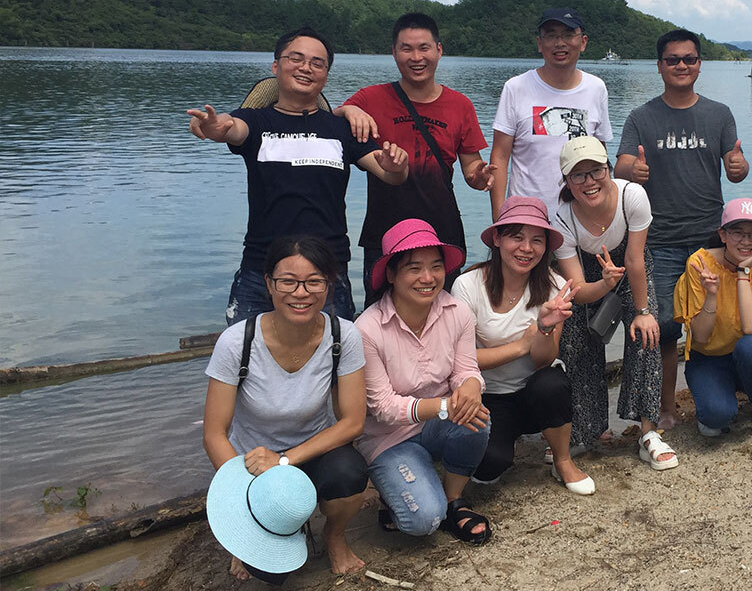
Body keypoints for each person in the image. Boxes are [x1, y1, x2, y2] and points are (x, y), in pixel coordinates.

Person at [187, 26, 411, 325]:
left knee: (332, 351)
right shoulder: (256, 122)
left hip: (327, 269)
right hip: (262, 269)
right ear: (276, 66)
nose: (306, 68)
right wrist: (215, 127)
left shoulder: (341, 129)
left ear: (326, 75)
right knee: (247, 351)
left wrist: (397, 166)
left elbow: (390, 174)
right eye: (296, 58)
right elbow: (232, 128)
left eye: (317, 63)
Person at [203, 235, 368, 581]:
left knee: (350, 473)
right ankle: (271, 525)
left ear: (328, 285)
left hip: (312, 452)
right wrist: (241, 490)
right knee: (271, 575)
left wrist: (283, 462)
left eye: (314, 281)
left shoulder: (344, 336)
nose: (301, 293)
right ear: (269, 284)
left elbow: (353, 421)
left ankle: (334, 535)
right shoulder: (237, 342)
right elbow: (214, 433)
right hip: (252, 464)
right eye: (288, 281)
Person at [615, 28, 748, 430]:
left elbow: (736, 167)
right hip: (661, 239)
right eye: (672, 60)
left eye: (689, 59)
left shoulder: (719, 114)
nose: (681, 66)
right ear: (659, 66)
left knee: (720, 321)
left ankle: (725, 395)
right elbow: (620, 165)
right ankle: (666, 407)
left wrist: (739, 167)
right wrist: (632, 170)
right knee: (665, 329)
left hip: (711, 237)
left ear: (699, 65)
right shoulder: (641, 117)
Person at [335, 13, 493, 300]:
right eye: (406, 49)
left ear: (439, 50)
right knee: (379, 313)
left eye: (424, 48)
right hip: (385, 231)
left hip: (441, 232)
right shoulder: (370, 98)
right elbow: (329, 120)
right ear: (394, 52)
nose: (416, 57)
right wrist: (348, 110)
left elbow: (472, 168)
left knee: (442, 312)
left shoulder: (460, 105)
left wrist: (479, 178)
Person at [355, 219, 493, 545]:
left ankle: (454, 500)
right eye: (414, 268)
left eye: (435, 266)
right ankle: (399, 495)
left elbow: (465, 369)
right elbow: (383, 407)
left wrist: (471, 385)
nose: (428, 278)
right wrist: (447, 405)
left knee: (477, 419)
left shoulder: (457, 312)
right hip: (388, 438)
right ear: (391, 274)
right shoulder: (367, 329)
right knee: (424, 521)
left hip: (436, 424)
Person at [451, 196, 594, 494]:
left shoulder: (555, 286)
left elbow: (543, 360)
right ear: (497, 239)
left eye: (537, 240)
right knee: (488, 468)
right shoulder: (468, 285)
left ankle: (562, 459)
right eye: (516, 237)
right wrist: (521, 345)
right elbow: (461, 359)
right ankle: (506, 441)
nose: (527, 248)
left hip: (532, 391)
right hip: (487, 395)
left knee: (551, 383)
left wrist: (544, 329)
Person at [552, 137, 678, 470]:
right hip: (587, 277)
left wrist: (643, 312)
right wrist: (604, 284)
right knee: (574, 339)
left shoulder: (632, 196)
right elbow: (577, 289)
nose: (589, 181)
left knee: (647, 333)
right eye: (578, 175)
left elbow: (635, 259)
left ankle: (648, 432)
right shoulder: (562, 218)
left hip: (631, 266)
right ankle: (585, 428)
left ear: (608, 169)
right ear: (567, 181)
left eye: (596, 171)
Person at [674, 198, 752, 448]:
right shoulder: (700, 264)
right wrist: (711, 294)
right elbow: (700, 337)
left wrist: (742, 272)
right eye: (737, 232)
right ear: (723, 235)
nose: (746, 241)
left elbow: (750, 328)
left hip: (748, 355)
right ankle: (718, 400)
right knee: (716, 419)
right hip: (708, 357)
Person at [490, 8, 612, 218]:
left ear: (583, 42)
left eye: (568, 35)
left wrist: (605, 210)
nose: (560, 43)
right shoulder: (516, 87)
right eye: (551, 35)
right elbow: (500, 156)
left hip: (581, 216)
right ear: (540, 43)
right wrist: (499, 217)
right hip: (527, 217)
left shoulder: (596, 88)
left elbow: (600, 155)